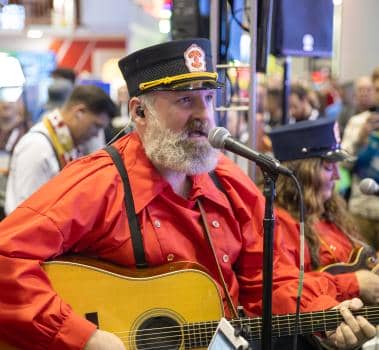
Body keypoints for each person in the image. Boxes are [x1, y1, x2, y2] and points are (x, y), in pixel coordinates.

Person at [0, 38, 375, 350]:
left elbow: (267, 284)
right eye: (185, 100)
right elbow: (7, 256)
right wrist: (85, 336)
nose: (204, 115)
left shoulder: (229, 184)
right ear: (140, 112)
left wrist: (326, 316)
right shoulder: (98, 182)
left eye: (209, 98)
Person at [269, 118, 379, 306]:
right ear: (303, 173)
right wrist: (354, 283)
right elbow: (287, 290)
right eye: (328, 167)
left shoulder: (330, 213)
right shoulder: (279, 223)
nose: (337, 175)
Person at [4, 84, 116, 215]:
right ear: (79, 112)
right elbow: (26, 213)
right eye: (96, 126)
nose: (96, 134)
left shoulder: (66, 146)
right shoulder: (37, 147)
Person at [342, 67, 379, 251]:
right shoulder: (358, 123)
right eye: (377, 89)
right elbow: (343, 163)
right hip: (361, 209)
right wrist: (361, 139)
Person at [0, 98, 29, 219]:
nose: (6, 102)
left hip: (13, 201)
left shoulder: (27, 134)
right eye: (3, 99)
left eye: (11, 99)